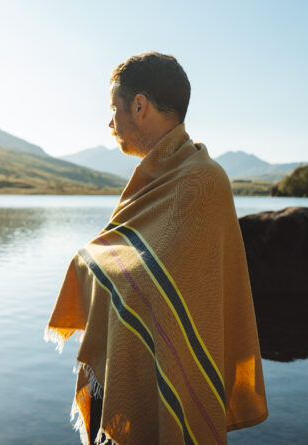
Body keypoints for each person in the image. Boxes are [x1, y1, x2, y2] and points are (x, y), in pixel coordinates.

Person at [46, 52, 268, 445]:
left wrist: (97, 265)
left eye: (114, 108)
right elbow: (130, 259)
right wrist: (92, 261)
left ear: (139, 106)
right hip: (132, 360)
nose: (110, 121)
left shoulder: (201, 181)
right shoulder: (158, 176)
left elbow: (161, 287)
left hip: (169, 364)